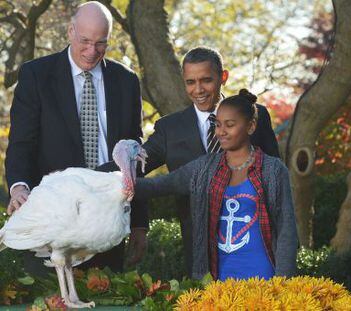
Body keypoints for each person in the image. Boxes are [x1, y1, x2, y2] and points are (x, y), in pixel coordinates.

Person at [5, 1, 147, 274]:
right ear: (70, 31)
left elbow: (133, 156)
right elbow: (22, 143)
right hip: (53, 227)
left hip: (107, 225)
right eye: (84, 40)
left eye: (100, 43)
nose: (91, 51)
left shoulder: (126, 81)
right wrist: (19, 187)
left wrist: (139, 223)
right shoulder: (36, 75)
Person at [141, 46, 280, 275]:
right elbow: (134, 166)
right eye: (190, 82)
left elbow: (276, 180)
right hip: (200, 251)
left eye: (206, 80)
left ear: (223, 77)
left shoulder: (255, 115)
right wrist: (83, 176)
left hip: (254, 243)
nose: (198, 90)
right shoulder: (170, 129)